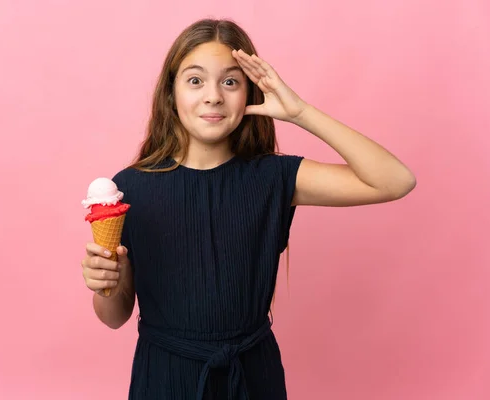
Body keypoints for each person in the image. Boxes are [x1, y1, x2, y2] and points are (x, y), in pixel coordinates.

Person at [80, 18, 416, 400]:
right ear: (170, 93)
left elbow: (395, 180)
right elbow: (114, 317)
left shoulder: (273, 177)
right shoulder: (131, 188)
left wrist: (300, 112)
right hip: (164, 378)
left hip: (253, 377)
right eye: (195, 80)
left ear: (249, 94)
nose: (213, 96)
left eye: (230, 81)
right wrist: (107, 283)